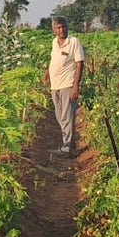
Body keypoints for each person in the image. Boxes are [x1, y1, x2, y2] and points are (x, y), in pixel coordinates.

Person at [42, 15, 84, 157]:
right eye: (58, 27)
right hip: (55, 85)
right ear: (53, 29)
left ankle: (66, 148)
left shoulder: (74, 42)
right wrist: (47, 72)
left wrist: (75, 86)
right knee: (60, 116)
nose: (62, 30)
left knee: (67, 116)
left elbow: (80, 63)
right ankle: (69, 144)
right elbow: (54, 59)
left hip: (67, 84)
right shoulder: (54, 42)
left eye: (64, 27)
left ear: (67, 27)